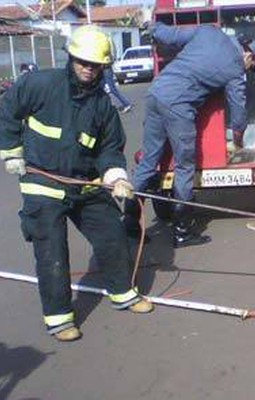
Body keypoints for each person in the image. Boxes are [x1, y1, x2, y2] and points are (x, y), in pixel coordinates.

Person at [0, 25, 153, 342]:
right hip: (42, 183)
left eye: (94, 64)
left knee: (112, 232)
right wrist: (11, 152)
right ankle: (59, 319)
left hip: (84, 185)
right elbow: (8, 111)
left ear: (102, 67)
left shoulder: (103, 108)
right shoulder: (40, 84)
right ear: (71, 57)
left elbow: (110, 149)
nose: (87, 68)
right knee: (52, 250)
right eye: (82, 61)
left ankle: (123, 292)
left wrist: (117, 177)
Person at [124, 21, 255, 248]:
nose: (248, 69)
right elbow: (238, 111)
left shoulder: (209, 32)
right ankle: (182, 231)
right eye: (251, 66)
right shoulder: (235, 68)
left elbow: (171, 35)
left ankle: (129, 223)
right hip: (178, 106)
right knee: (184, 167)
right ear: (249, 56)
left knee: (149, 160)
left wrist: (151, 26)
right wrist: (237, 140)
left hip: (156, 93)